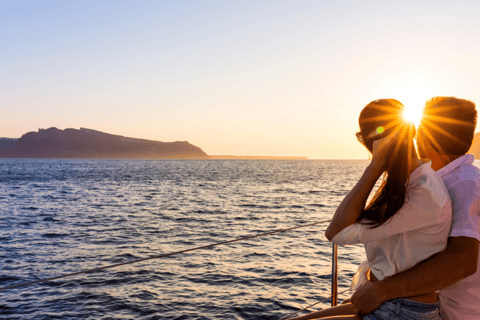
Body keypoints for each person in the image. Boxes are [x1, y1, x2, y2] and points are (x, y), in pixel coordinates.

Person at [289, 99, 452, 320]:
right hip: (388, 302)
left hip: (403, 312)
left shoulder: (422, 192)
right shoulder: (409, 183)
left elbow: (335, 232)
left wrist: (374, 167)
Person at [350, 97, 480, 319]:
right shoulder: (443, 180)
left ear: (424, 135)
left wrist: (382, 290)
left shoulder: (464, 184)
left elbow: (463, 262)